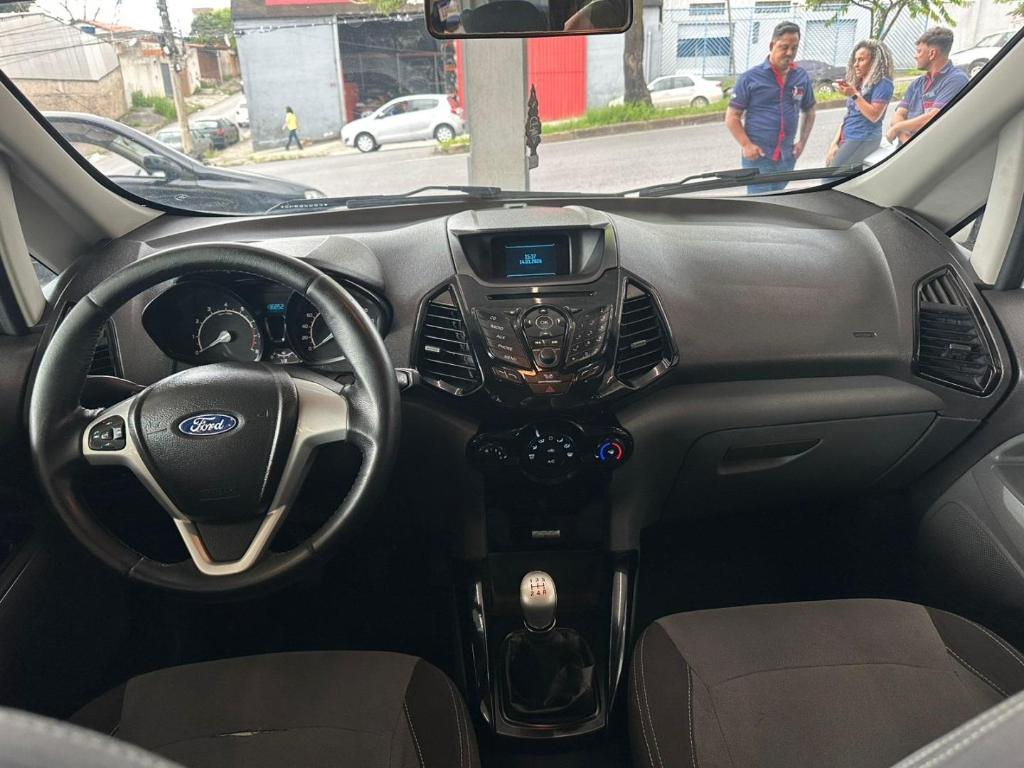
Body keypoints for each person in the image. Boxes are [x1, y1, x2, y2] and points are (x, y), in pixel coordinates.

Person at [725, 21, 816, 194]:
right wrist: (746, 145)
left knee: (778, 198)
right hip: (758, 157)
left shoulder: (801, 77)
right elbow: (732, 117)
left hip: (787, 158)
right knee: (760, 203)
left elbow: (810, 111)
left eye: (794, 48)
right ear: (772, 45)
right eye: (784, 47)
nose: (789, 53)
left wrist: (802, 143)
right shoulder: (750, 78)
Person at [887, 27, 968, 145]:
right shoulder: (917, 84)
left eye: (919, 51)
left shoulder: (956, 80)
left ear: (932, 54)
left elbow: (934, 118)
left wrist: (897, 128)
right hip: (908, 148)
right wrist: (906, 141)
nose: (915, 56)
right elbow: (899, 114)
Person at [826, 39, 895, 167]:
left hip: (863, 138)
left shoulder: (883, 83)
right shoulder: (859, 83)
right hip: (848, 136)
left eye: (861, 60)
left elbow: (874, 115)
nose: (855, 64)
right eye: (855, 60)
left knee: (831, 175)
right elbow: (849, 115)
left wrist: (854, 94)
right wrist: (834, 143)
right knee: (831, 170)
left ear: (874, 62)